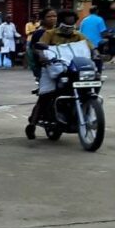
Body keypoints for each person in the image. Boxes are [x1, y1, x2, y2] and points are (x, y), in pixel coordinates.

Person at [26, 10, 90, 138]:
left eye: (71, 25)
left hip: (73, 69)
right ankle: (32, 124)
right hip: (52, 67)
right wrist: (42, 56)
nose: (69, 28)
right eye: (66, 25)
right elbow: (38, 49)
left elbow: (90, 47)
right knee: (46, 94)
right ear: (60, 23)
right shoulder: (48, 34)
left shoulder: (79, 35)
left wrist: (96, 54)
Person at [26, 8, 57, 82]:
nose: (52, 18)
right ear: (42, 19)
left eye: (54, 16)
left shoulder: (59, 31)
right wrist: (41, 56)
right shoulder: (39, 33)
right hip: (44, 64)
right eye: (49, 17)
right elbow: (35, 48)